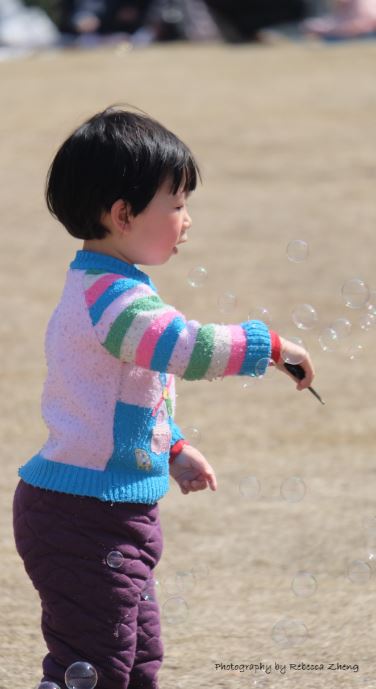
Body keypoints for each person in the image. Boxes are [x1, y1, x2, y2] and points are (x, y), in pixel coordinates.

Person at [13, 107, 314, 689]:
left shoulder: (110, 288)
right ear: (123, 214)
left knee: (138, 658)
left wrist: (172, 446)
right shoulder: (114, 300)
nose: (188, 221)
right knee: (95, 667)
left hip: (107, 512)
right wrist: (268, 345)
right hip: (84, 518)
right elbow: (184, 346)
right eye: (176, 205)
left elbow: (116, 396)